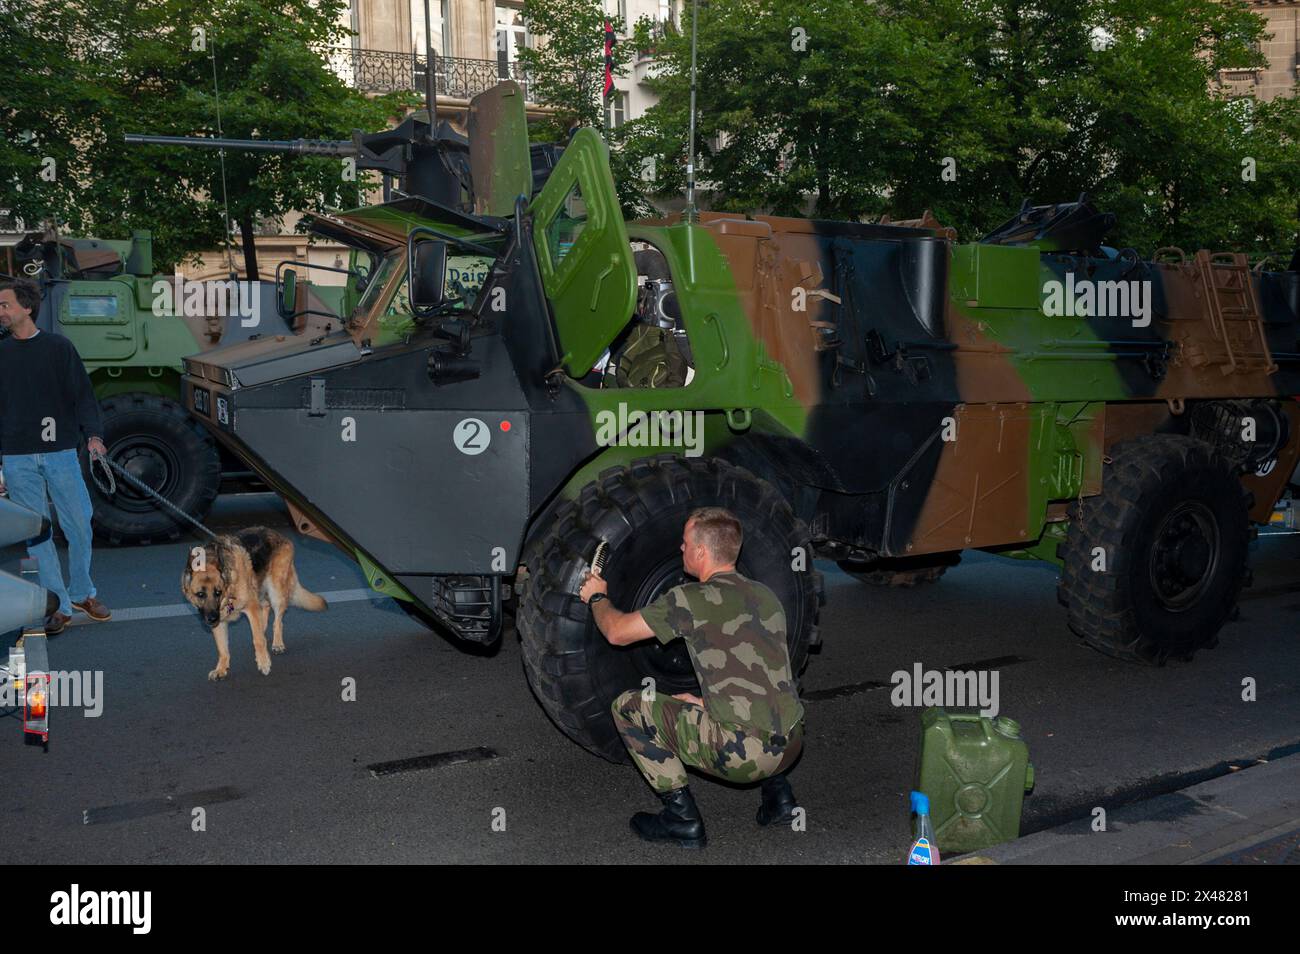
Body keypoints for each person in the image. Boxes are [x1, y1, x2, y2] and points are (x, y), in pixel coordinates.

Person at [580, 507, 805, 849]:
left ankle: (681, 820)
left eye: (685, 543)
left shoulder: (690, 599)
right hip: (791, 744)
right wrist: (704, 704)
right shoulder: (765, 596)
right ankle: (780, 797)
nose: (681, 549)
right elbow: (761, 677)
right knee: (708, 703)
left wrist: (597, 596)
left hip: (744, 756)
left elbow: (617, 632)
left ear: (701, 551)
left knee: (628, 707)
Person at [0, 279, 111, 634]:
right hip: (16, 458)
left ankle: (82, 592)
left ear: (26, 308)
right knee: (37, 534)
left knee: (79, 523)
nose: (0, 311)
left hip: (60, 452)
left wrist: (93, 435)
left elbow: (83, 396)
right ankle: (61, 606)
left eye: (5, 305)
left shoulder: (59, 348)